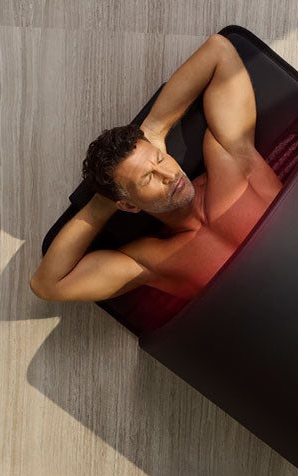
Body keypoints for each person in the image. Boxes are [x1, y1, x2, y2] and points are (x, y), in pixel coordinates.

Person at [30, 34, 283, 303]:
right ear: (128, 205)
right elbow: (47, 285)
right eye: (147, 177)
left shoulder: (231, 159)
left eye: (160, 160)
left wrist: (154, 128)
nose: (169, 175)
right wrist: (99, 207)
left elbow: (219, 51)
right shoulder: (152, 260)